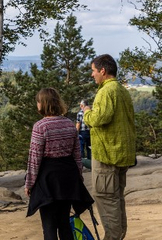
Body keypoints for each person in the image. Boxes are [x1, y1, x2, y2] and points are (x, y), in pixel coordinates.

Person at [25, 88, 94, 240]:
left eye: (38, 101)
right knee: (64, 223)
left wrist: (29, 183)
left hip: (48, 179)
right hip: (68, 178)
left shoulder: (40, 126)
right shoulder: (69, 124)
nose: (37, 104)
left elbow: (35, 158)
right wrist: (78, 178)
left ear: (43, 104)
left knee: (49, 226)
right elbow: (77, 154)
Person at [82, 54, 136, 240]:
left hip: (107, 155)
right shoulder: (122, 90)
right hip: (121, 153)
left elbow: (100, 118)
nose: (92, 75)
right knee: (116, 199)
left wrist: (87, 113)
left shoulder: (106, 91)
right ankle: (118, 235)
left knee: (106, 198)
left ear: (102, 71)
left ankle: (112, 237)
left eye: (93, 71)